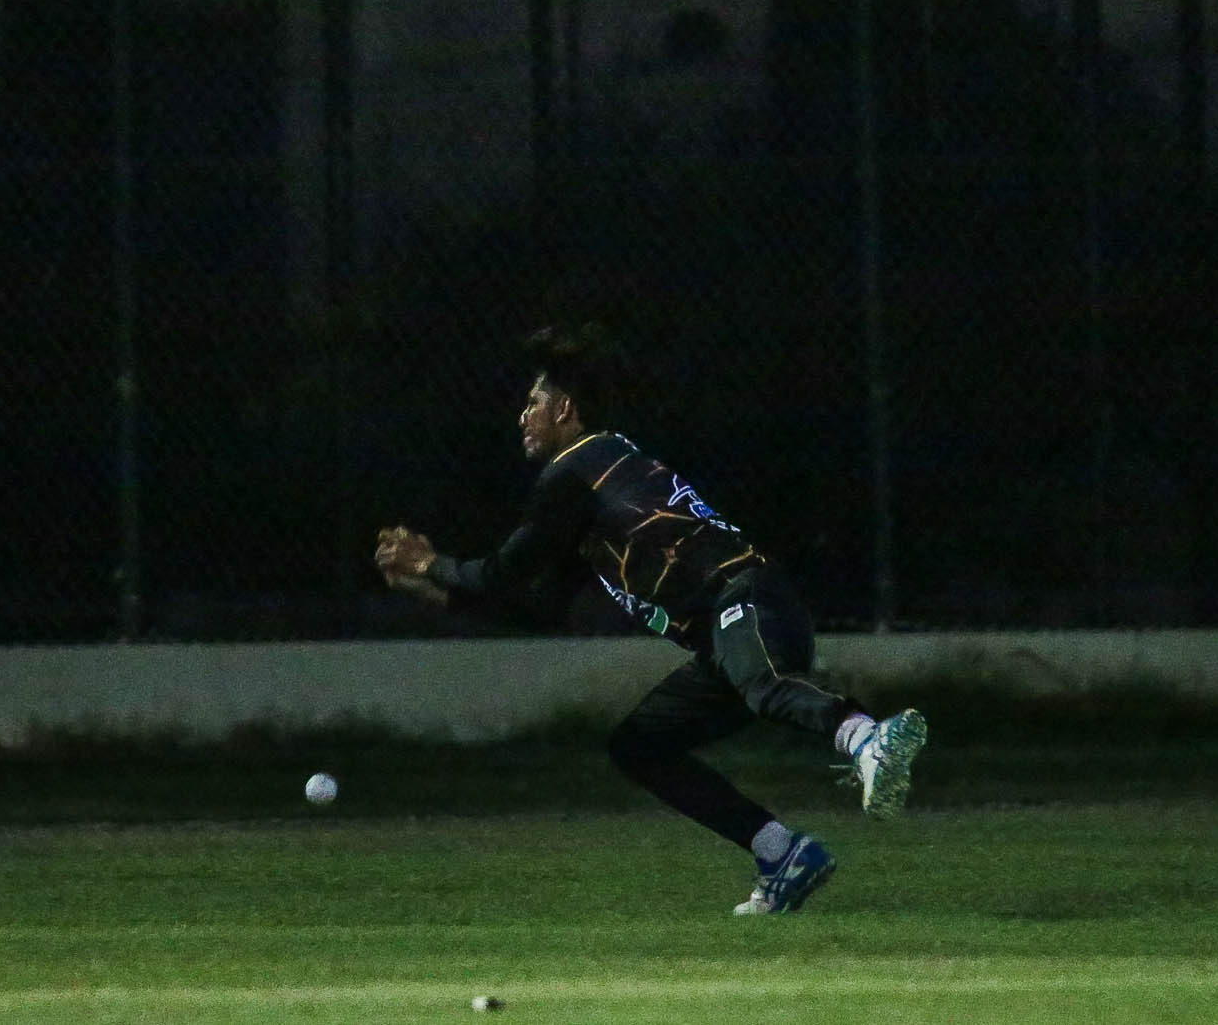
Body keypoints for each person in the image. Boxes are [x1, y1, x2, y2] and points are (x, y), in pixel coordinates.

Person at [374, 324, 926, 915]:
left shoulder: (576, 468)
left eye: (532, 403)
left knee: (765, 684)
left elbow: (501, 571)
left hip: (742, 597)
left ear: (563, 409)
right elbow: (538, 607)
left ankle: (867, 738)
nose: (522, 416)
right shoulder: (597, 489)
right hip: (725, 630)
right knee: (640, 747)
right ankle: (783, 853)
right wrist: (434, 591)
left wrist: (432, 562)